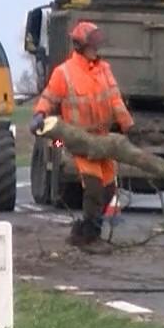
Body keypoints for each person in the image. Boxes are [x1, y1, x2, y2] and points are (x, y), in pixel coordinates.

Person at [32, 19, 134, 251]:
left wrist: (128, 125)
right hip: (77, 140)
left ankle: (81, 231)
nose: (96, 49)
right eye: (92, 45)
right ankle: (90, 235)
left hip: (103, 140)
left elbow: (115, 99)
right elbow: (49, 97)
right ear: (80, 46)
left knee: (108, 189)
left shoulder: (103, 70)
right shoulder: (64, 73)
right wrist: (39, 114)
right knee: (94, 187)